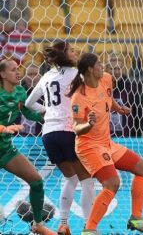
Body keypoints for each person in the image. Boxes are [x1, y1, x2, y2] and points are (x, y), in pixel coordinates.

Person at [69, 53, 143, 234]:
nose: (103, 67)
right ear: (89, 70)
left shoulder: (106, 79)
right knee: (112, 183)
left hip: (106, 143)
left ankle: (136, 218)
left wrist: (118, 108)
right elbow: (77, 129)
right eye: (99, 64)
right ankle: (89, 230)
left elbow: (107, 98)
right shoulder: (79, 97)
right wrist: (89, 124)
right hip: (88, 146)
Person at [24, 42, 95, 235]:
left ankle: (63, 224)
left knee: (70, 178)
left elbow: (29, 103)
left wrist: (45, 110)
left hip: (49, 134)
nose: (75, 52)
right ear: (64, 54)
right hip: (68, 131)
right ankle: (89, 226)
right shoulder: (76, 74)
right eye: (72, 50)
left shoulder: (47, 75)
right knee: (87, 180)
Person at [0, 59, 55, 235]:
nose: (18, 72)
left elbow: (27, 113)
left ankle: (38, 224)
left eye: (18, 69)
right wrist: (4, 128)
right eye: (13, 70)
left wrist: (45, 117)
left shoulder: (20, 92)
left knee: (36, 181)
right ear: (2, 74)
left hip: (6, 150)